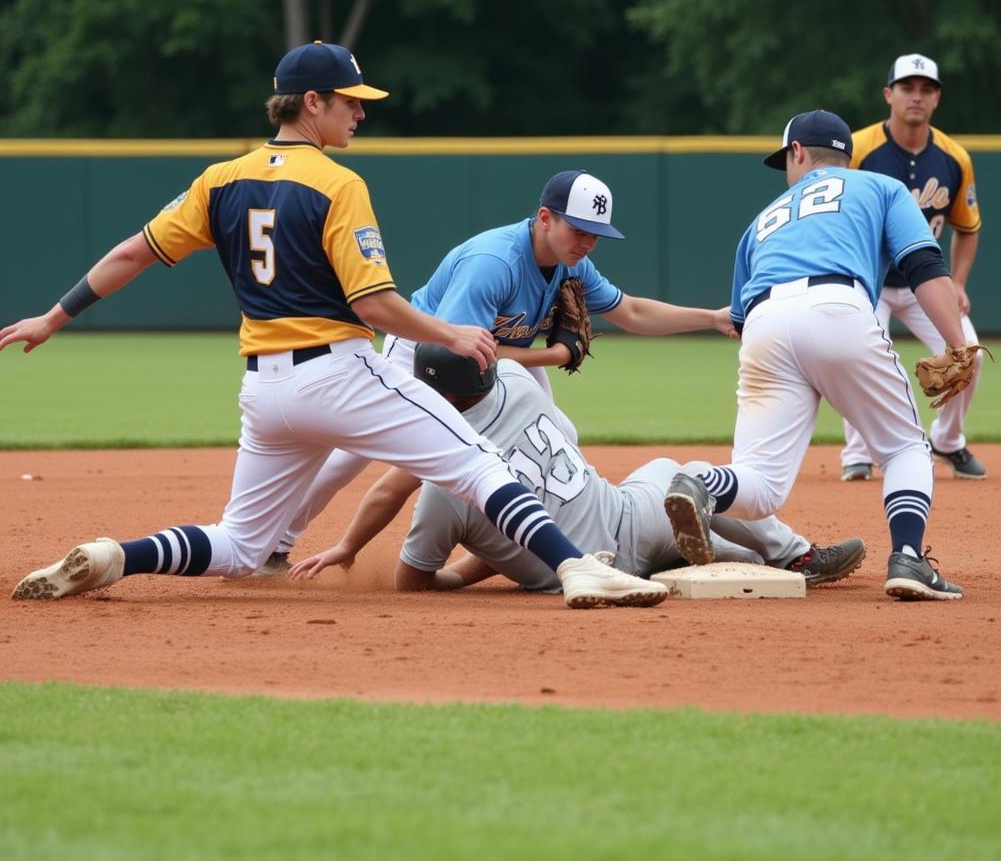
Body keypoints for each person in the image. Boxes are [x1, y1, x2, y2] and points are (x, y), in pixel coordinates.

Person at [4, 40, 668, 610]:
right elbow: (376, 304)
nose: (360, 110)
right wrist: (451, 334)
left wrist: (54, 316)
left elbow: (132, 252)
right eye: (350, 99)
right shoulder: (336, 184)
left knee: (241, 544)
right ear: (311, 101)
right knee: (480, 459)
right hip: (336, 372)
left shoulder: (219, 180)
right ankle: (579, 568)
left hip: (264, 393)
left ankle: (115, 556)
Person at [263, 166, 749, 566]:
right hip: (428, 356)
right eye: (579, 230)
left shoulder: (572, 262)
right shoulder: (492, 263)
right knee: (351, 457)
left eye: (596, 235)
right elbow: (459, 351)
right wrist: (554, 356)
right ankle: (277, 544)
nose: (587, 243)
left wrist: (710, 317)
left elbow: (631, 312)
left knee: (559, 433)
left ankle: (532, 540)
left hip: (495, 358)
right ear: (544, 218)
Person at [670, 109, 971, 602]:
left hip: (765, 325)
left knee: (762, 486)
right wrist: (956, 343)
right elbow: (922, 264)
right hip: (837, 308)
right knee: (903, 448)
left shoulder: (760, 222)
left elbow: (742, 319)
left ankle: (700, 481)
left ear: (797, 153)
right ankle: (910, 560)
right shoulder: (880, 186)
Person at [289, 344, 866, 592]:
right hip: (633, 519)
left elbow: (412, 581)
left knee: (695, 543)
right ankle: (791, 557)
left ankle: (751, 567)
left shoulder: (446, 488)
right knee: (678, 474)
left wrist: (494, 562)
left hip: (579, 572)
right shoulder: (516, 379)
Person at [840, 54, 985, 481]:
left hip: (926, 281)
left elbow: (968, 226)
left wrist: (957, 282)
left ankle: (948, 440)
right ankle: (857, 453)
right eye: (907, 88)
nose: (916, 97)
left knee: (969, 354)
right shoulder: (858, 148)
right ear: (889, 94)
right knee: (857, 352)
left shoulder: (954, 157)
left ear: (937, 98)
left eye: (926, 89)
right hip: (869, 279)